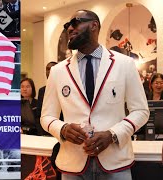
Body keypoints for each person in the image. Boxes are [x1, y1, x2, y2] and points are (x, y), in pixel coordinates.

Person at [40, 10, 149, 180]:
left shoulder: (125, 65)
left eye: (75, 22)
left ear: (94, 25)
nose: (69, 28)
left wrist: (112, 134)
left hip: (115, 163)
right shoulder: (57, 71)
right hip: (73, 164)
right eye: (67, 26)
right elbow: (46, 116)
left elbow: (141, 111)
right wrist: (62, 128)